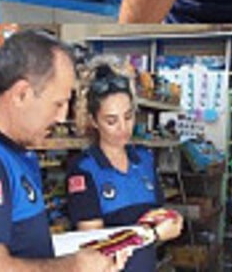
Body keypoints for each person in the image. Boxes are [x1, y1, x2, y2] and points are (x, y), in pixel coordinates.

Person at [0, 30, 122, 272]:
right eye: (58, 103)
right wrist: (74, 267)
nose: (62, 117)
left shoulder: (15, 153)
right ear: (21, 94)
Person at [66, 64, 184, 272]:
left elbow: (155, 215)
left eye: (128, 117)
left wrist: (170, 220)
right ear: (94, 121)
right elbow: (94, 246)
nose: (123, 128)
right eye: (111, 121)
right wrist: (153, 235)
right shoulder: (84, 169)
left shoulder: (144, 159)